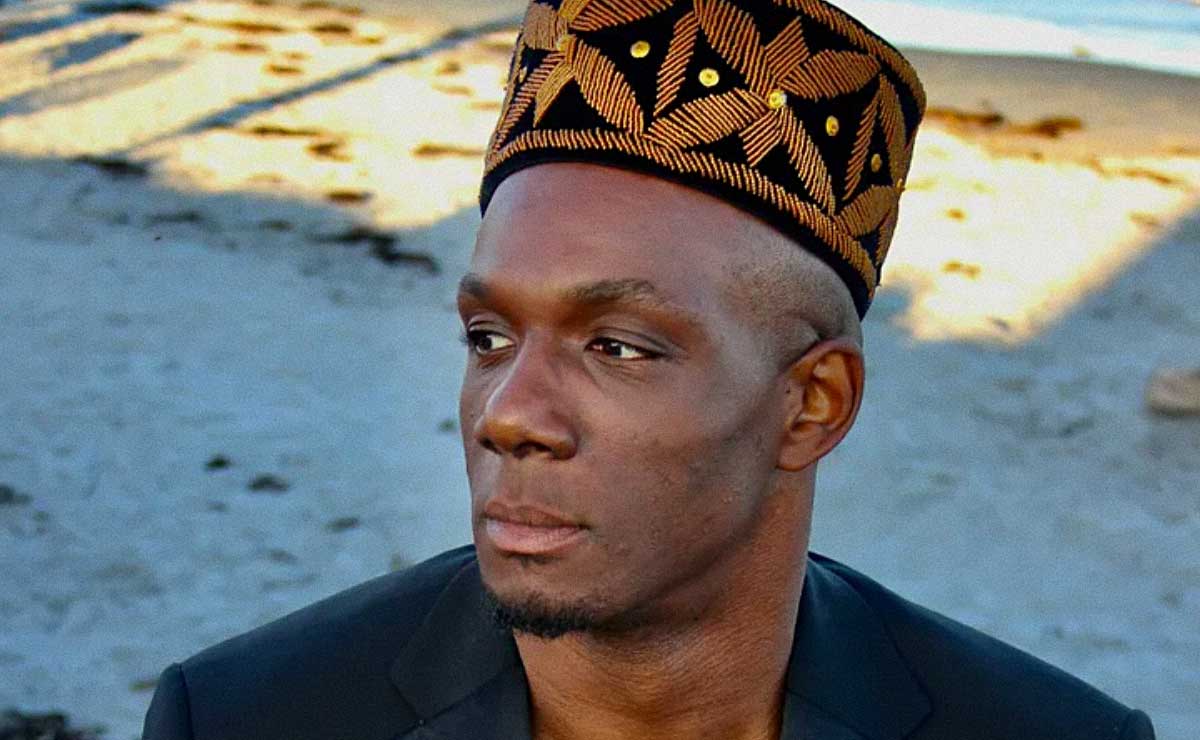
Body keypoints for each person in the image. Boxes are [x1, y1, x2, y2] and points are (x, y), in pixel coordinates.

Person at [143, 1, 1156, 738]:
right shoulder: (247, 714)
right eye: (488, 335)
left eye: (618, 346)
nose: (508, 414)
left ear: (812, 403)